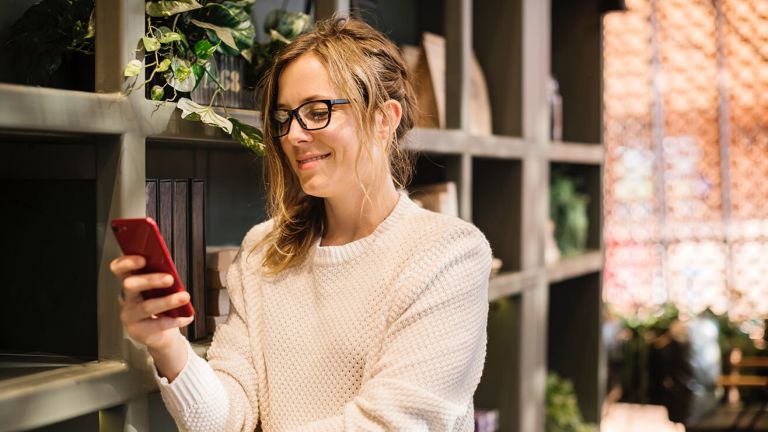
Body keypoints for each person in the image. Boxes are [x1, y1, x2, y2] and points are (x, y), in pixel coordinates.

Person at [110, 17, 492, 431]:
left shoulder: (449, 255)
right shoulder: (262, 251)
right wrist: (166, 342)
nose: (293, 135)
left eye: (316, 111)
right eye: (284, 117)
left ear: (384, 119)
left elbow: (390, 425)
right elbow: (228, 418)